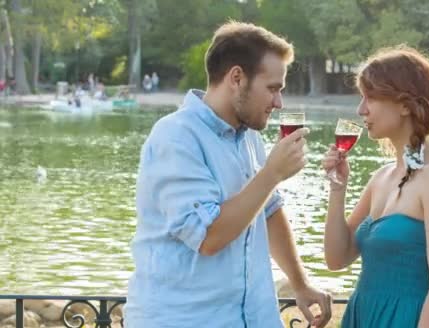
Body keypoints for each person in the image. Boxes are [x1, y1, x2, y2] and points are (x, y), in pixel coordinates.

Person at [124, 22, 332, 328]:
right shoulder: (176, 136)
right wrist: (272, 173)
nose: (279, 102)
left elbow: (269, 211)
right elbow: (208, 236)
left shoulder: (250, 138)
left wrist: (299, 284)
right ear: (237, 78)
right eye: (272, 88)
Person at [322, 45, 429, 327]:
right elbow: (337, 258)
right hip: (364, 316)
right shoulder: (381, 177)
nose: (360, 109)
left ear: (405, 104)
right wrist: (337, 190)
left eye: (370, 98)